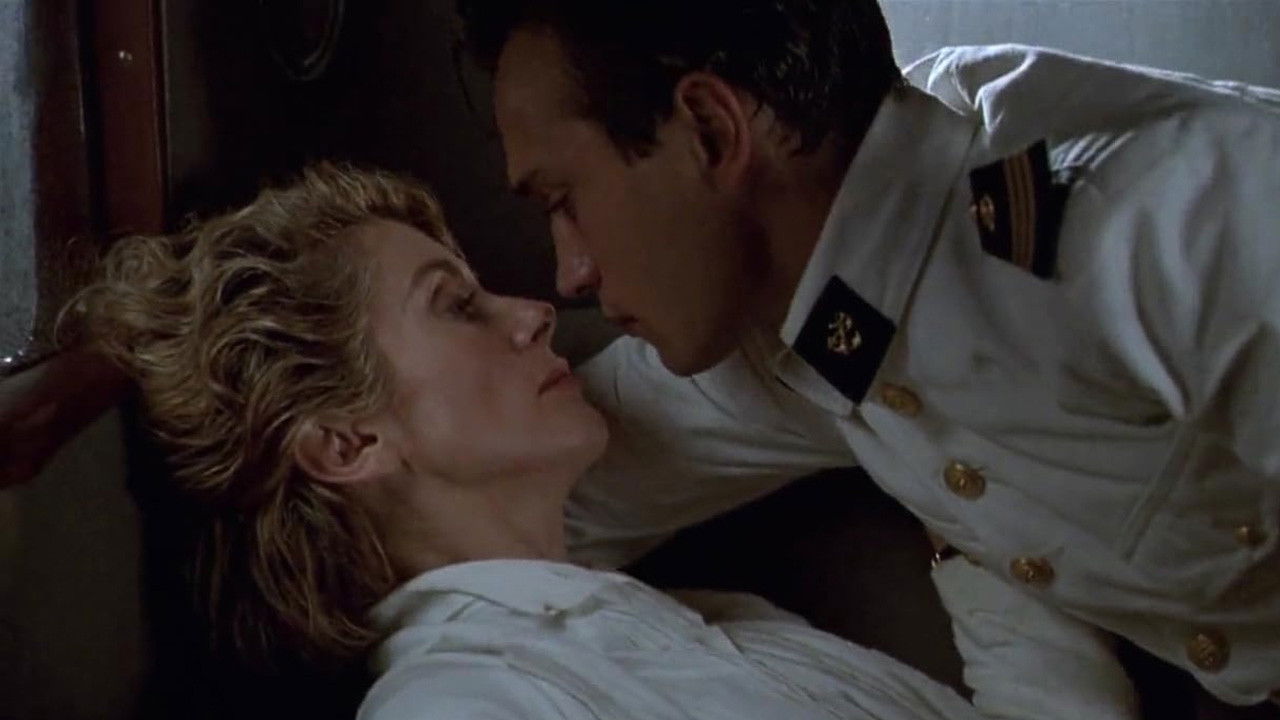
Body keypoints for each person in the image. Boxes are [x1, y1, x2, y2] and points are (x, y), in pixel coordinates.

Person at [452, 0, 1280, 715]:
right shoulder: (789, 313)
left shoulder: (1154, 222)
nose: (570, 274)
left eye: (564, 201)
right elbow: (521, 500)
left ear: (709, 129)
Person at [57, 163, 986, 719]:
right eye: (457, 306)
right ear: (346, 443)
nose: (535, 311)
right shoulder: (462, 702)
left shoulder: (662, 611)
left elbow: (817, 366)